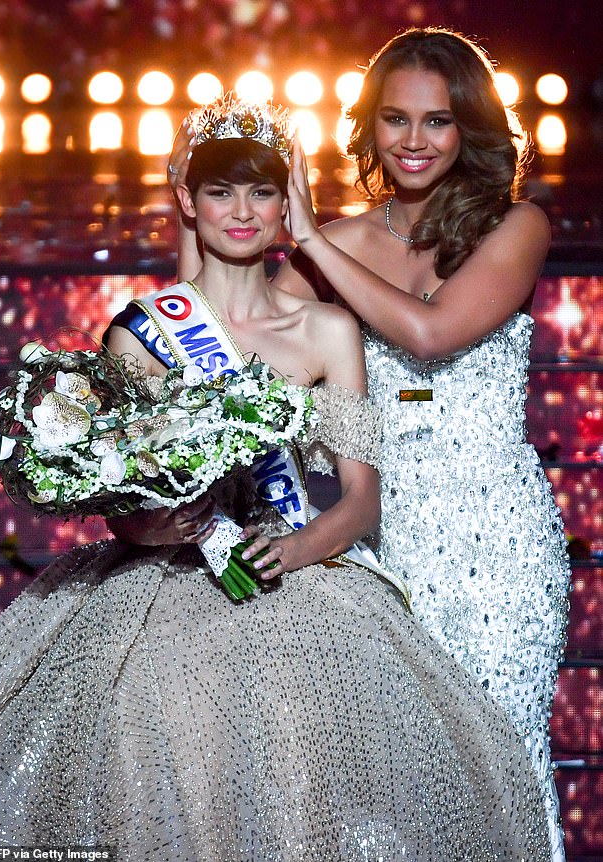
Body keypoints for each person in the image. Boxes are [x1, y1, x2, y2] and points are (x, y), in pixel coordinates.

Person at [0, 96, 551, 861]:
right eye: (218, 192)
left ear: (288, 202)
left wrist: (295, 552)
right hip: (164, 581)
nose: (241, 212)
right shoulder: (143, 332)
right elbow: (119, 493)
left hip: (298, 570)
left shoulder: (327, 329)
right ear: (188, 200)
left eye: (261, 193)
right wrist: (147, 524)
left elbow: (361, 494)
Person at [167, 28, 571, 862]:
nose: (414, 142)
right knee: (389, 785)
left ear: (471, 130)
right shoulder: (345, 240)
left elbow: (430, 334)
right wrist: (185, 211)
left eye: (438, 122)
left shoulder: (518, 225)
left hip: (499, 546)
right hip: (376, 545)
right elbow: (232, 342)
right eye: (395, 120)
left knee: (501, 764)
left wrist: (312, 240)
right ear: (370, 127)